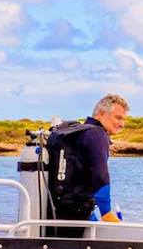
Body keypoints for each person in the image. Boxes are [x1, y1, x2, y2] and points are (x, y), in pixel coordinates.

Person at [46, 93, 129, 234]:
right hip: (76, 214)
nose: (122, 124)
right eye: (118, 118)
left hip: (58, 210)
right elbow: (100, 175)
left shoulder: (76, 132)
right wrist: (106, 213)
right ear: (102, 114)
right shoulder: (97, 134)